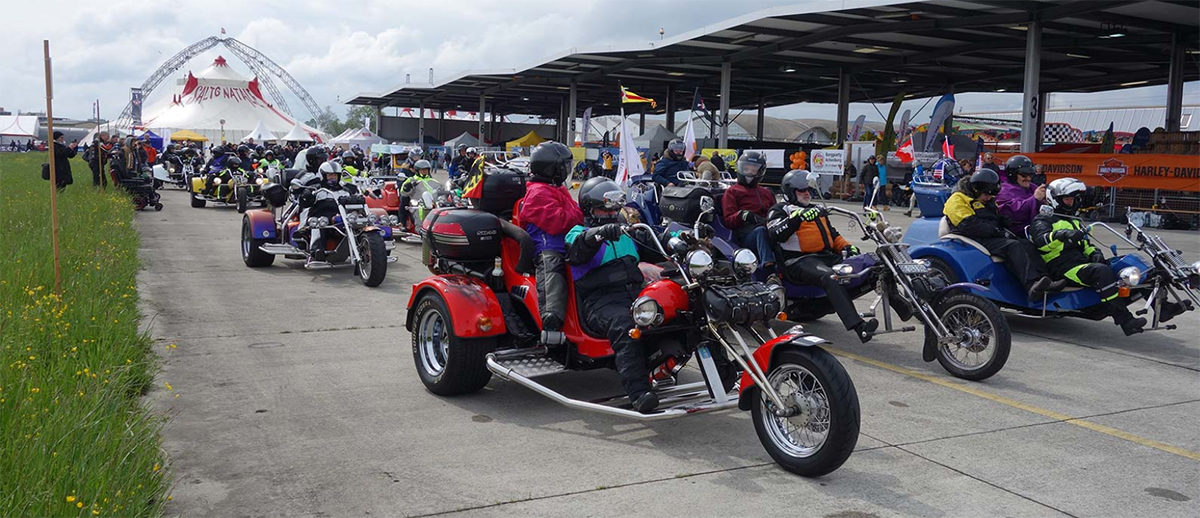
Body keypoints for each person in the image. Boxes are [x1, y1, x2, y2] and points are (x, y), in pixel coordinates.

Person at [565, 178, 659, 413]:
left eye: (615, 209)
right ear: (589, 209)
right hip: (599, 302)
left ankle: (673, 368)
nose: (611, 213)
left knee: (680, 308)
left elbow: (654, 246)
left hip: (635, 295)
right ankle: (639, 393)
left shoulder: (627, 232)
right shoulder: (578, 233)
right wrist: (597, 234)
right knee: (625, 325)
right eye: (604, 209)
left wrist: (677, 237)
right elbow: (578, 249)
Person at [1030, 179, 1158, 335]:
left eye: (1073, 199)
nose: (1071, 203)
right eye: (1067, 199)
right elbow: (1041, 241)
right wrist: (1060, 235)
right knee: (1101, 272)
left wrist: (1095, 253)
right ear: (1055, 200)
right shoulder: (1042, 219)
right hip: (1063, 268)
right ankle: (1125, 321)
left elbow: (1086, 245)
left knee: (1132, 264)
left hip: (1082, 264)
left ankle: (1164, 309)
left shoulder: (1074, 221)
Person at [767, 170, 876, 342]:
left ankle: (907, 309)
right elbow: (774, 233)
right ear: (790, 192)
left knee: (875, 265)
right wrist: (797, 218)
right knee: (830, 277)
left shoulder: (817, 209)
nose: (806, 193)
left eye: (808, 190)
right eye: (801, 190)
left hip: (825, 256)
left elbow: (832, 235)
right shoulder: (780, 210)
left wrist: (846, 246)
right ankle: (860, 327)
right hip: (799, 261)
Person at [944, 168, 1063, 300]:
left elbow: (992, 215)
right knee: (1013, 246)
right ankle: (1031, 285)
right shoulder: (957, 199)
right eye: (986, 195)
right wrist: (997, 231)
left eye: (990, 195)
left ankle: (1044, 280)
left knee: (1026, 244)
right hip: (969, 236)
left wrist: (1002, 220)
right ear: (976, 189)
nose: (989, 198)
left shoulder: (986, 198)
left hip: (988, 234)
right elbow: (968, 225)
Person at [518, 142, 584, 342]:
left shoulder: (556, 188)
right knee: (552, 270)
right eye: (563, 166)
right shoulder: (537, 193)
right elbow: (559, 221)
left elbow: (575, 212)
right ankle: (551, 319)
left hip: (565, 241)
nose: (566, 171)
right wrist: (578, 214)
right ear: (551, 168)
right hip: (546, 246)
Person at [722, 152, 777, 276]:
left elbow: (776, 213)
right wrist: (742, 215)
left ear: (760, 172)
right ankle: (768, 267)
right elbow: (728, 220)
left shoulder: (766, 192)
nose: (749, 173)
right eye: (746, 169)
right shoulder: (732, 192)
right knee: (760, 232)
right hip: (746, 235)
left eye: (753, 170)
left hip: (768, 229)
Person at [296, 161, 359, 263]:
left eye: (335, 175)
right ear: (323, 175)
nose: (332, 177)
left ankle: (367, 245)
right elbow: (305, 201)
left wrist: (357, 196)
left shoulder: (346, 190)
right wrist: (307, 195)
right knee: (319, 224)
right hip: (321, 218)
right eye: (329, 175)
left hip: (341, 217)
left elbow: (357, 197)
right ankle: (316, 250)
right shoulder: (316, 189)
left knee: (357, 222)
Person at [995, 154, 1047, 237]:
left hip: (1039, 229)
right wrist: (1034, 199)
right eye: (1024, 175)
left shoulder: (1033, 187)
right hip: (1018, 234)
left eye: (1030, 175)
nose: (1029, 178)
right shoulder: (1003, 191)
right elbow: (1013, 212)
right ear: (1013, 174)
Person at [398, 159, 438, 230]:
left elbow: (439, 189)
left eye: (426, 170)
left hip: (431, 201)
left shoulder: (433, 181)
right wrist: (408, 186)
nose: (424, 171)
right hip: (417, 202)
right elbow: (403, 192)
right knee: (404, 203)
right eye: (422, 170)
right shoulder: (411, 180)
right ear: (417, 171)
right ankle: (403, 223)